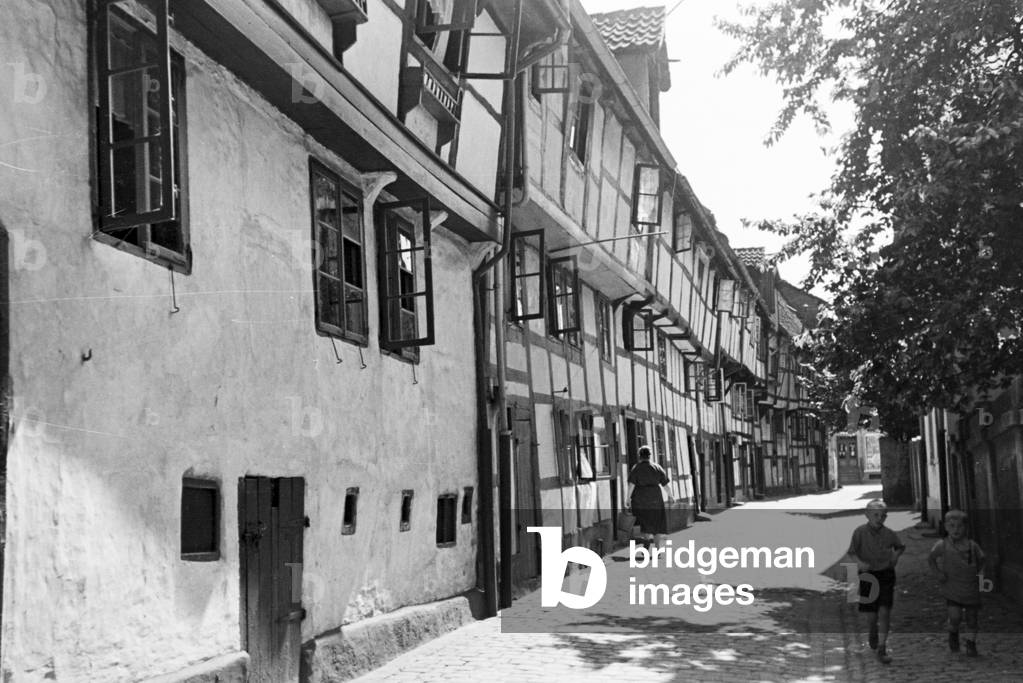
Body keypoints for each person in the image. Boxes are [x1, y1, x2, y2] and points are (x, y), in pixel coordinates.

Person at [846, 499, 905, 664]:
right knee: (872, 615)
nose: (879, 518)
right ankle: (872, 629)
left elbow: (900, 546)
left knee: (884, 611)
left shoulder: (889, 534)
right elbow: (851, 552)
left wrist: (895, 556)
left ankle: (882, 647)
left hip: (886, 574)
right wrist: (860, 563)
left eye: (883, 516)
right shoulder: (859, 532)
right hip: (868, 576)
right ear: (867, 515)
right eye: (875, 515)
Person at [928, 509, 985, 656]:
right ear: (946, 527)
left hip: (971, 587)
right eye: (952, 526)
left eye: (959, 526)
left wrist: (981, 574)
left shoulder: (972, 546)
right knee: (955, 617)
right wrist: (938, 573)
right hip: (953, 588)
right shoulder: (943, 545)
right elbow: (931, 558)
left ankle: (971, 643)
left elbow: (982, 560)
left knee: (972, 618)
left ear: (966, 528)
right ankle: (953, 632)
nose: (956, 530)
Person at [626, 446, 670, 549]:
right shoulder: (657, 467)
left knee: (645, 523)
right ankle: (658, 548)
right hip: (656, 499)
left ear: (639, 456)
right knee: (657, 524)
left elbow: (631, 485)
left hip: (641, 499)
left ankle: (646, 544)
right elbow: (665, 485)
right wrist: (671, 496)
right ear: (650, 456)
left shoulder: (636, 468)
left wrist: (628, 498)